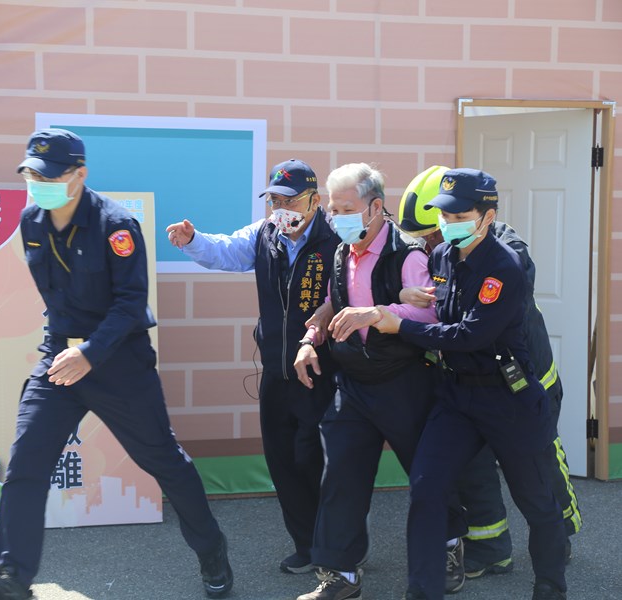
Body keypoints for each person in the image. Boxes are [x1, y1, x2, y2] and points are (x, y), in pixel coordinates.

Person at [0, 129, 233, 600]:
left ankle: (212, 551)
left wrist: (90, 353)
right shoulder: (30, 222)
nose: (36, 184)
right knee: (26, 462)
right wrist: (65, 351)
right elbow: (55, 298)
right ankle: (12, 578)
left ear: (79, 175)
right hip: (61, 360)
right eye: (30, 174)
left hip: (119, 362)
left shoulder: (116, 225)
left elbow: (130, 304)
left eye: (47, 175)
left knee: (164, 462)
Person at [373, 168, 568, 600]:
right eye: (443, 214)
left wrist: (397, 328)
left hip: (508, 398)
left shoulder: (505, 267)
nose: (447, 223)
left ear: (486, 216)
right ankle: (422, 592)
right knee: (427, 488)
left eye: (459, 214)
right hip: (457, 397)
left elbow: (470, 335)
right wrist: (406, 301)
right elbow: (441, 310)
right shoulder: (442, 258)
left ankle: (551, 587)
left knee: (537, 503)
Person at [293, 163, 467, 600]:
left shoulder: (407, 254)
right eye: (333, 210)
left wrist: (379, 313)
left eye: (346, 209)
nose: (337, 219)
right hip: (352, 384)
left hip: (403, 381)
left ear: (375, 208)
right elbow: (336, 301)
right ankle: (340, 574)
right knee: (341, 477)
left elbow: (430, 312)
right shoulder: (340, 251)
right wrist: (310, 340)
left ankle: (448, 546)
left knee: (427, 475)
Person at [166, 159, 339, 574]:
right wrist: (192, 240)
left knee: (321, 462)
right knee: (283, 461)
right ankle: (307, 547)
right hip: (277, 372)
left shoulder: (336, 238)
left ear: (314, 200)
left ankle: (340, 546)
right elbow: (224, 251)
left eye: (289, 199)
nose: (280, 208)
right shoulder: (266, 235)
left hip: (324, 370)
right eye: (274, 200)